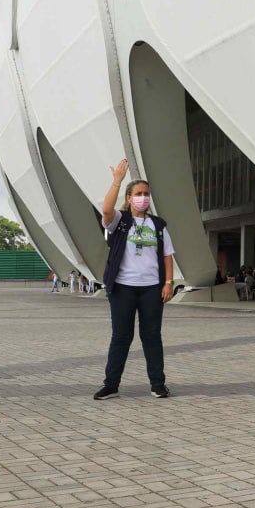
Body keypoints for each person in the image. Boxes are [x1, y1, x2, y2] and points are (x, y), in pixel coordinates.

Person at [94, 159, 177, 400]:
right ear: (129, 198)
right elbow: (107, 211)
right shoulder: (120, 221)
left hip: (151, 289)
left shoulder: (158, 225)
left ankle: (158, 384)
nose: (143, 198)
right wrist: (117, 181)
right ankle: (111, 384)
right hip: (122, 288)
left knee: (152, 336)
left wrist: (168, 283)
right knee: (121, 336)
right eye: (139, 194)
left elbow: (167, 255)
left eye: (146, 194)